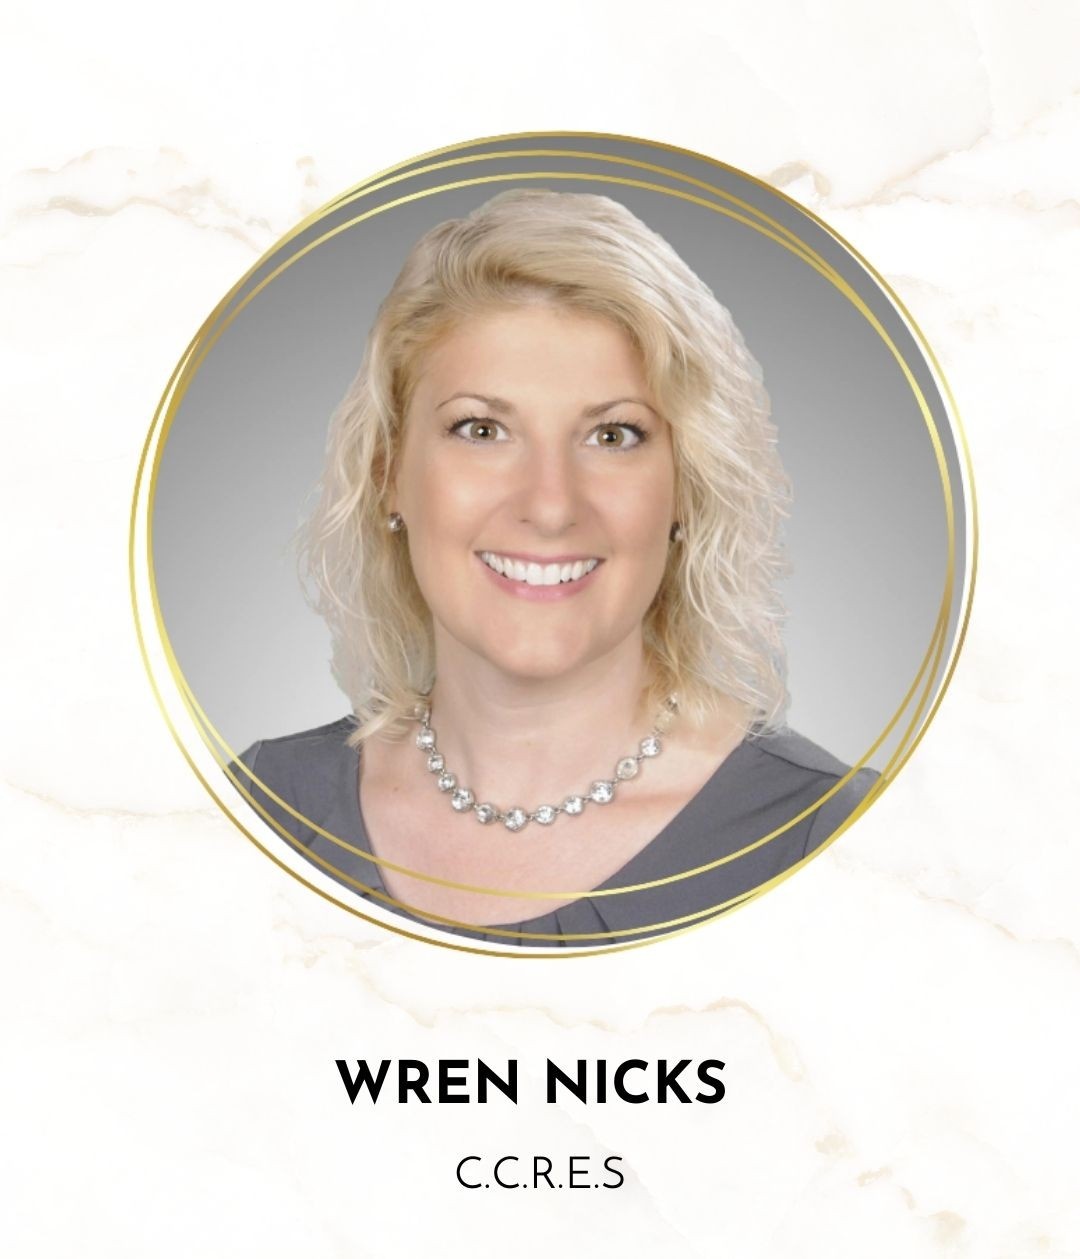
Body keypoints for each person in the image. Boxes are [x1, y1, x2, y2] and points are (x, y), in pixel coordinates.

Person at [229, 188, 879, 948]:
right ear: (388, 475)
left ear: (685, 486)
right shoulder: (261, 812)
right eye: (482, 429)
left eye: (613, 435)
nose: (549, 504)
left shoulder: (831, 843)